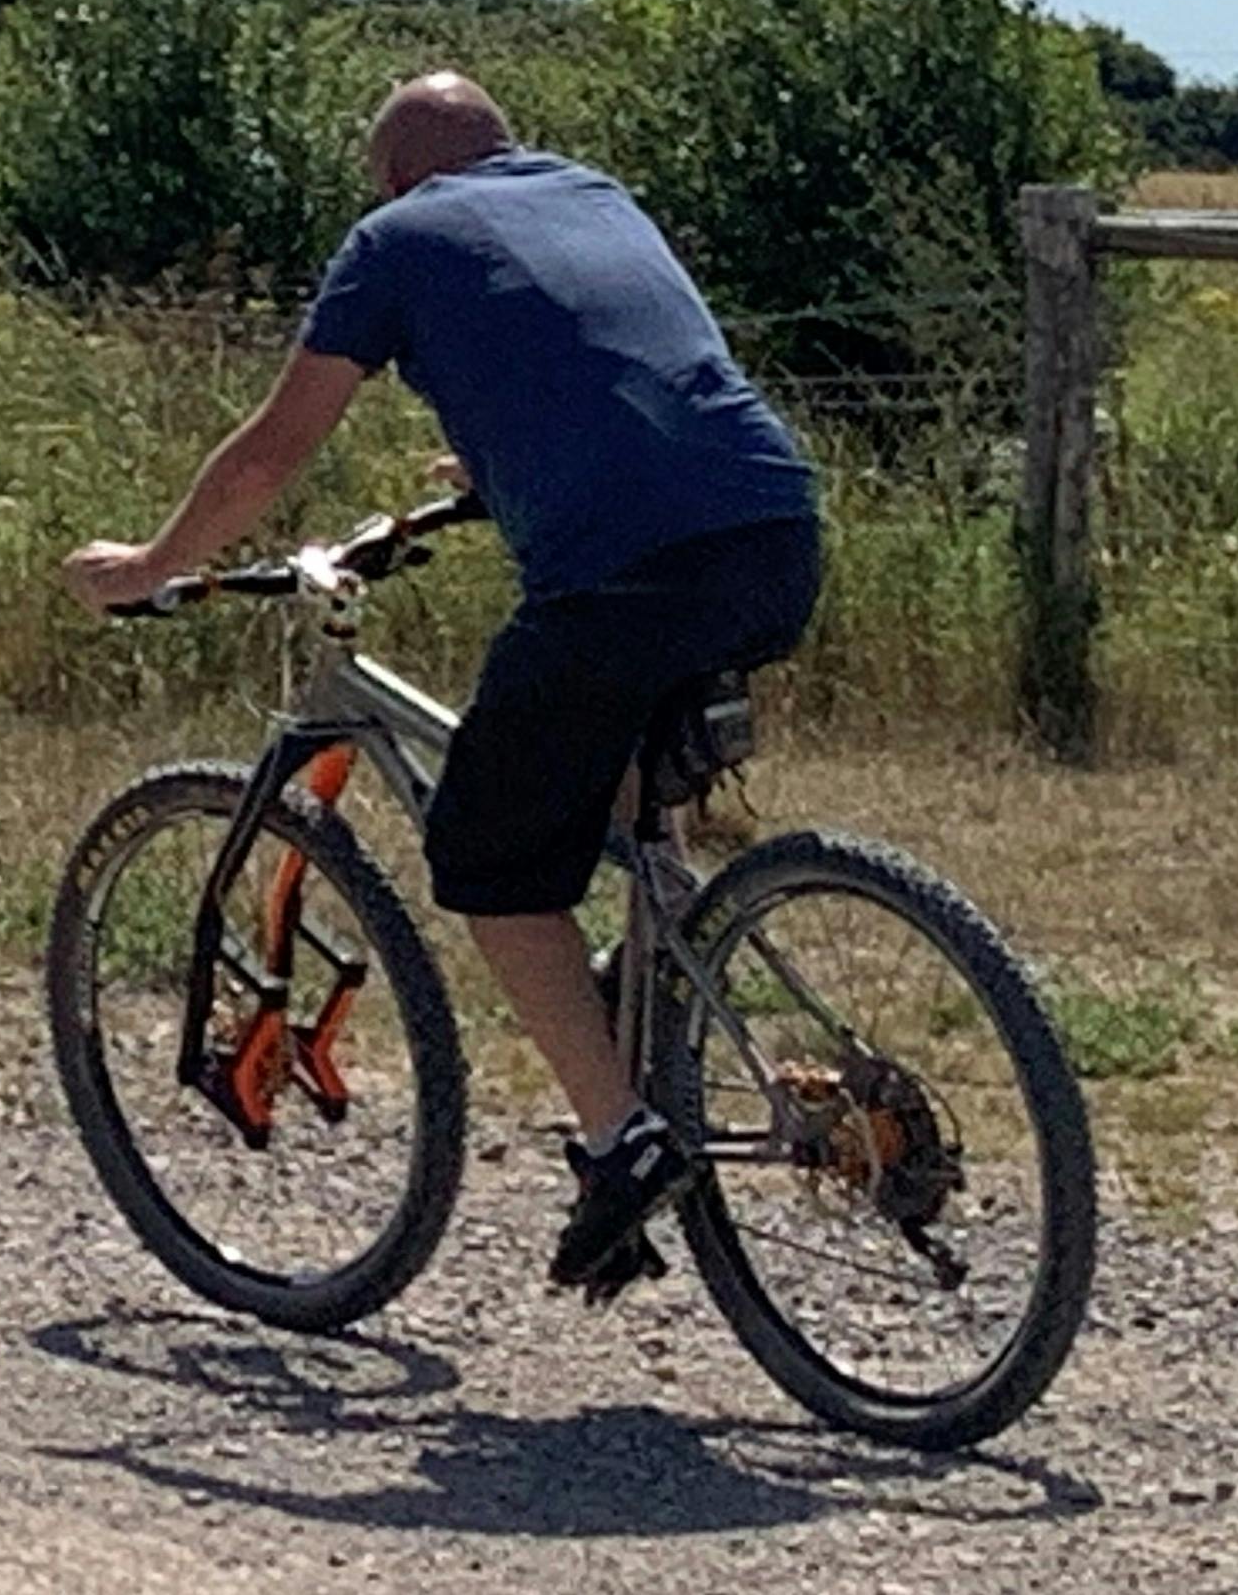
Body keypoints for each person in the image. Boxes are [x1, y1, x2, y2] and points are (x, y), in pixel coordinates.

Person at [63, 73, 820, 1296]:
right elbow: (611, 350)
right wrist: (494, 459)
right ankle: (659, 995)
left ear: (396, 180)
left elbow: (272, 446)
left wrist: (152, 565)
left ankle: (621, 1138)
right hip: (775, 532)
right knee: (615, 785)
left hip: (625, 574)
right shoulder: (591, 193)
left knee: (488, 850)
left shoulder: (394, 240)